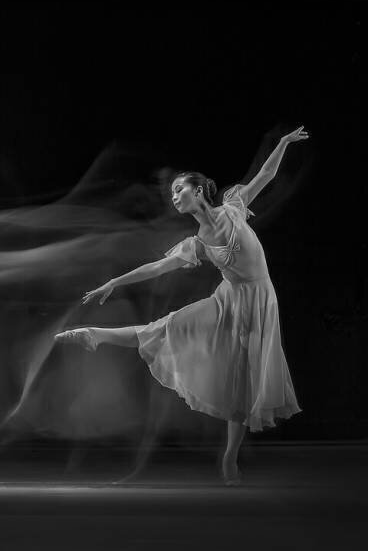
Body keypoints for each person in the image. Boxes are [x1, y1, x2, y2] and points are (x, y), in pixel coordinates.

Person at [55, 126, 308, 485]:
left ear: (199, 190)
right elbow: (156, 267)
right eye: (172, 193)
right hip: (228, 301)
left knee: (244, 382)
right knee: (168, 327)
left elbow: (266, 174)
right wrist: (114, 282)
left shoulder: (235, 206)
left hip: (260, 302)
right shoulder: (198, 243)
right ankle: (96, 334)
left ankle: (229, 458)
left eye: (179, 189)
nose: (174, 197)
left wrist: (282, 143)